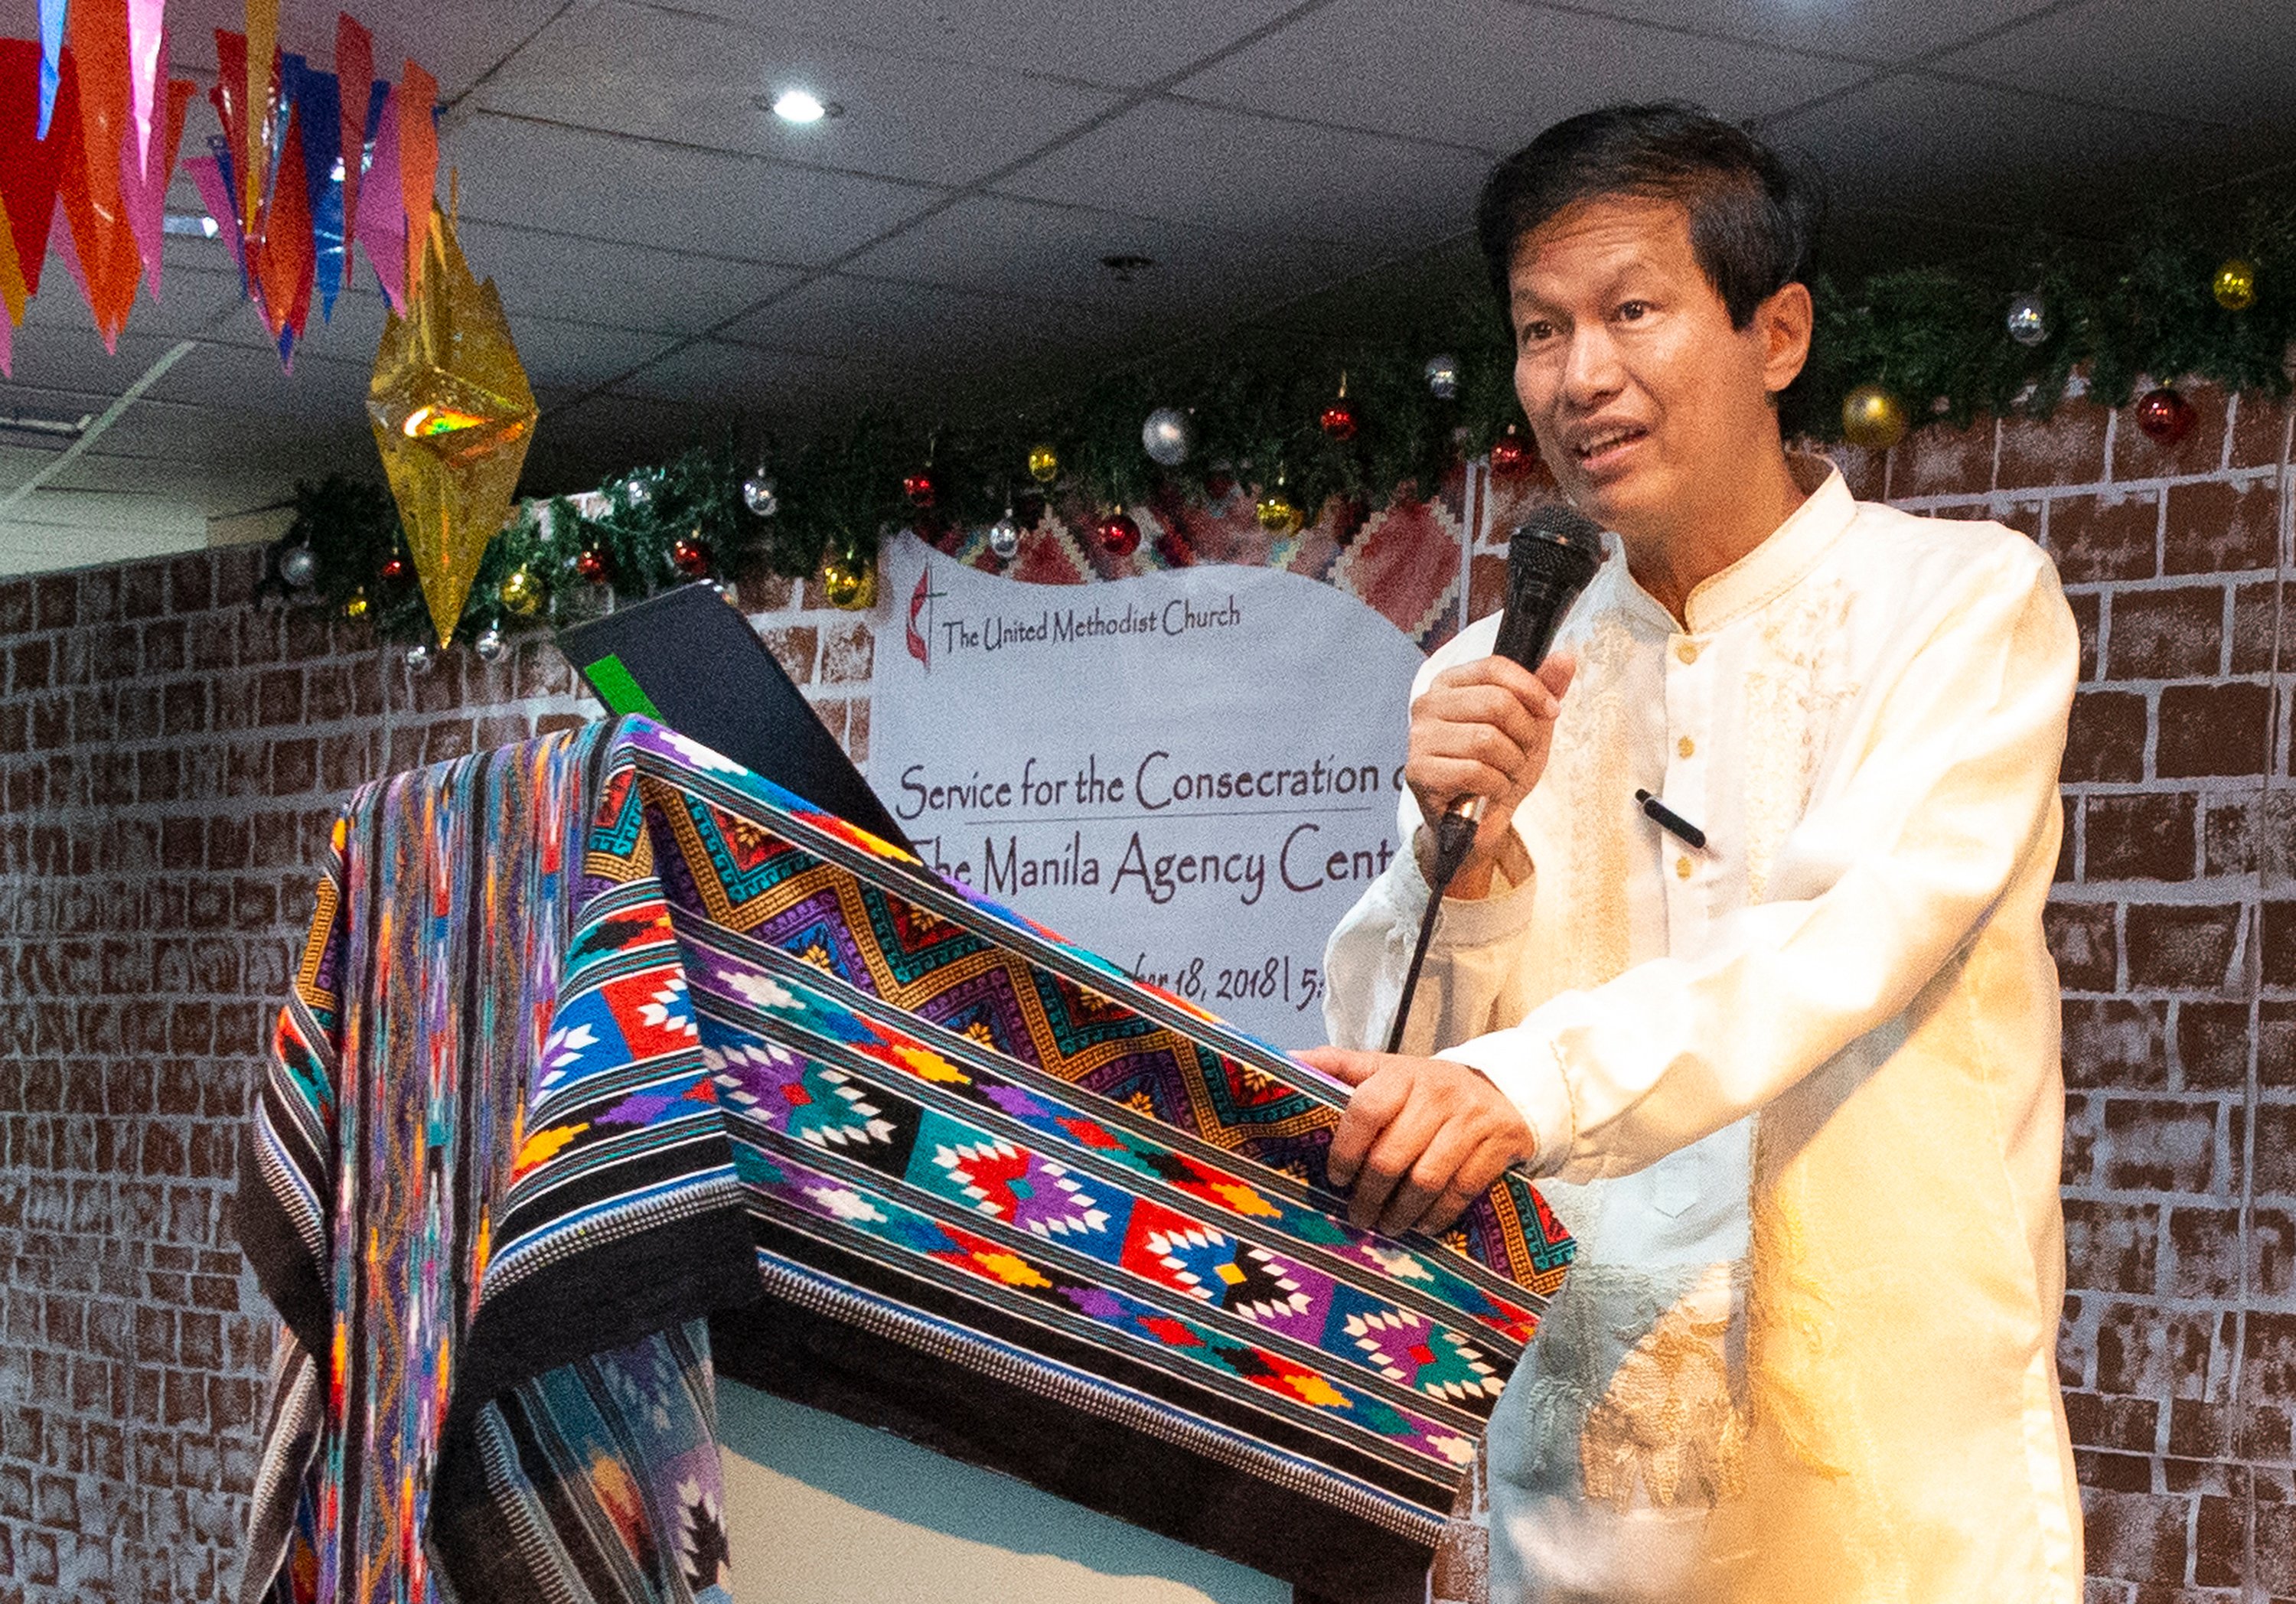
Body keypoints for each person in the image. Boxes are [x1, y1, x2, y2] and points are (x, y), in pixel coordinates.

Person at [1305, 104, 2081, 1602]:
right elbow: (1407, 1075)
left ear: (1775, 332)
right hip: (1593, 1513)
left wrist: (1513, 1089)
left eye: (1631, 312)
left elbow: (1837, 934)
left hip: (1894, 1517)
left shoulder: (1961, 606)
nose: (1579, 375)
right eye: (1540, 330)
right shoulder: (1491, 670)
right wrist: (1458, 867)